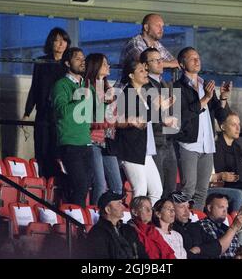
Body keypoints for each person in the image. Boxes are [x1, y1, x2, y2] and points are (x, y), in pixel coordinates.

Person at [173, 47, 231, 210]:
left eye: (198, 57)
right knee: (187, 189)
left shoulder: (205, 85)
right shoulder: (176, 87)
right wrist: (204, 98)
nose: (197, 61)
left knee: (202, 191)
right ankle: (177, 218)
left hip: (207, 144)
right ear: (182, 64)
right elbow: (180, 118)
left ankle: (195, 221)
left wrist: (223, 98)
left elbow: (221, 116)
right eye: (192, 58)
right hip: (188, 144)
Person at [22, 27, 71, 179]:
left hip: (62, 115)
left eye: (64, 40)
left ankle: (57, 185)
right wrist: (27, 112)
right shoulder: (41, 62)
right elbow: (35, 88)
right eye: (57, 40)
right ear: (51, 42)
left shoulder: (69, 65)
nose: (61, 44)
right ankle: (43, 185)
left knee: (58, 152)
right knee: (42, 151)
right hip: (43, 113)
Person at [115, 61, 163, 205]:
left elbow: (148, 119)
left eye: (145, 70)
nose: (146, 73)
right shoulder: (127, 94)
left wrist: (160, 110)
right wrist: (157, 108)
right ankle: (135, 223)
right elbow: (140, 121)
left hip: (144, 150)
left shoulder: (142, 93)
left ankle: (148, 221)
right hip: (130, 149)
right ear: (131, 75)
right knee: (140, 189)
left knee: (156, 190)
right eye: (141, 71)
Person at [52, 47, 93, 207]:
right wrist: (80, 99)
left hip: (86, 142)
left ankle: (78, 219)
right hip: (70, 144)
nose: (83, 61)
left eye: (84, 58)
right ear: (68, 63)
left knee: (85, 186)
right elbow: (61, 111)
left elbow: (95, 112)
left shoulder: (86, 84)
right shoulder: (61, 85)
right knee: (79, 186)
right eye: (78, 59)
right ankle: (75, 223)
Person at [84, 53, 123, 204]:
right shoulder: (86, 88)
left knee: (117, 186)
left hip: (108, 142)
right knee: (100, 184)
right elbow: (90, 118)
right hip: (92, 140)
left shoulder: (108, 88)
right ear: (95, 66)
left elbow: (112, 117)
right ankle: (94, 218)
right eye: (104, 63)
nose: (108, 66)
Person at [141, 47, 178, 198]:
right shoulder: (143, 85)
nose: (160, 62)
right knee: (157, 189)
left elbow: (171, 113)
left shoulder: (166, 84)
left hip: (168, 141)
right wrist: (162, 120)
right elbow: (143, 115)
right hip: (153, 143)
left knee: (170, 189)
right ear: (145, 65)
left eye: (161, 59)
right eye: (155, 60)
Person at [211, 111, 242, 210]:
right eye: (234, 125)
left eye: (239, 124)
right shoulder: (215, 146)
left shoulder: (238, 148)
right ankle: (238, 222)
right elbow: (218, 172)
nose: (238, 128)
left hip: (238, 184)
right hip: (220, 186)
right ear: (223, 127)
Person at [168, 191, 221, 259]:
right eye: (182, 207)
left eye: (188, 207)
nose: (187, 211)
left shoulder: (195, 226)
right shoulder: (169, 231)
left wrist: (198, 249)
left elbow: (217, 247)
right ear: (171, 210)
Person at [86, 191, 134, 259]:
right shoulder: (97, 233)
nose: (123, 207)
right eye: (119, 204)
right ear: (108, 210)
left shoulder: (125, 229)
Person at [199, 193, 242, 258]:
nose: (225, 211)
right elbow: (217, 250)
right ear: (209, 208)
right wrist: (233, 228)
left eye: (227, 208)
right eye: (221, 207)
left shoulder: (226, 228)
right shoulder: (203, 225)